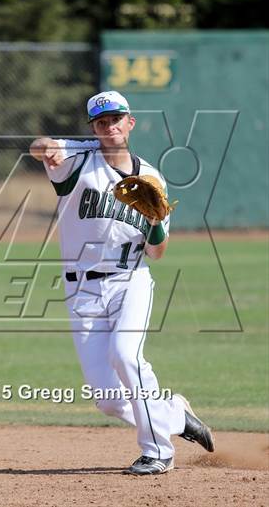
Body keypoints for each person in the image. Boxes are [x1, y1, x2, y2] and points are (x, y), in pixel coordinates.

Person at [29, 90, 214, 476]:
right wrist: (56, 148)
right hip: (80, 290)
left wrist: (156, 222)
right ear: (94, 129)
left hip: (129, 280)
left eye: (116, 119)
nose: (109, 126)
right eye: (100, 122)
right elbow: (38, 146)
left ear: (130, 123)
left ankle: (157, 451)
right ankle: (175, 416)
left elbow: (157, 252)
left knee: (126, 355)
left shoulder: (151, 177)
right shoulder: (76, 163)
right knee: (109, 400)